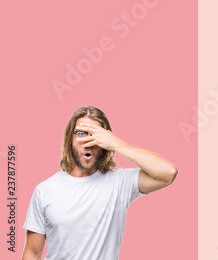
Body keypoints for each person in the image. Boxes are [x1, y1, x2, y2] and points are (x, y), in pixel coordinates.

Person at [23, 106, 179, 260]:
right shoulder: (44, 190)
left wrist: (116, 143)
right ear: (69, 139)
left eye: (95, 135)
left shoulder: (120, 182)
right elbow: (32, 253)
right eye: (81, 134)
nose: (88, 142)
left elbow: (167, 173)